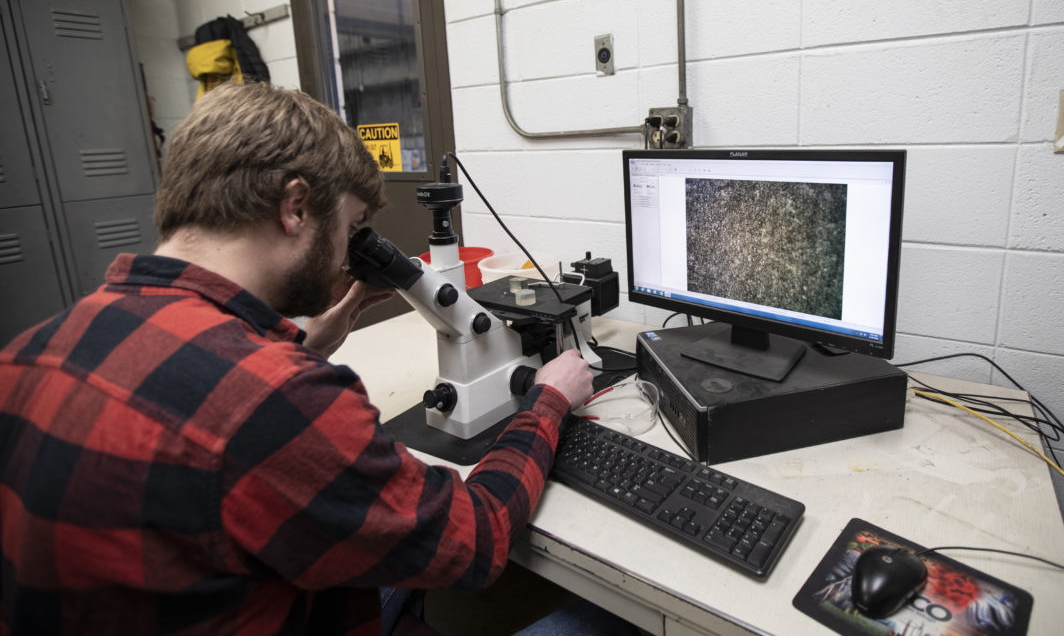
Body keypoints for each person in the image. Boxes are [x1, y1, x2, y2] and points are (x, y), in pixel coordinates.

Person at [0, 82, 636, 635]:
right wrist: (549, 399)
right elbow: (476, 540)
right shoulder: (275, 400)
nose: (345, 255)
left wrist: (296, 347)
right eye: (351, 227)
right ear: (296, 206)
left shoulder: (27, 353)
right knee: (615, 620)